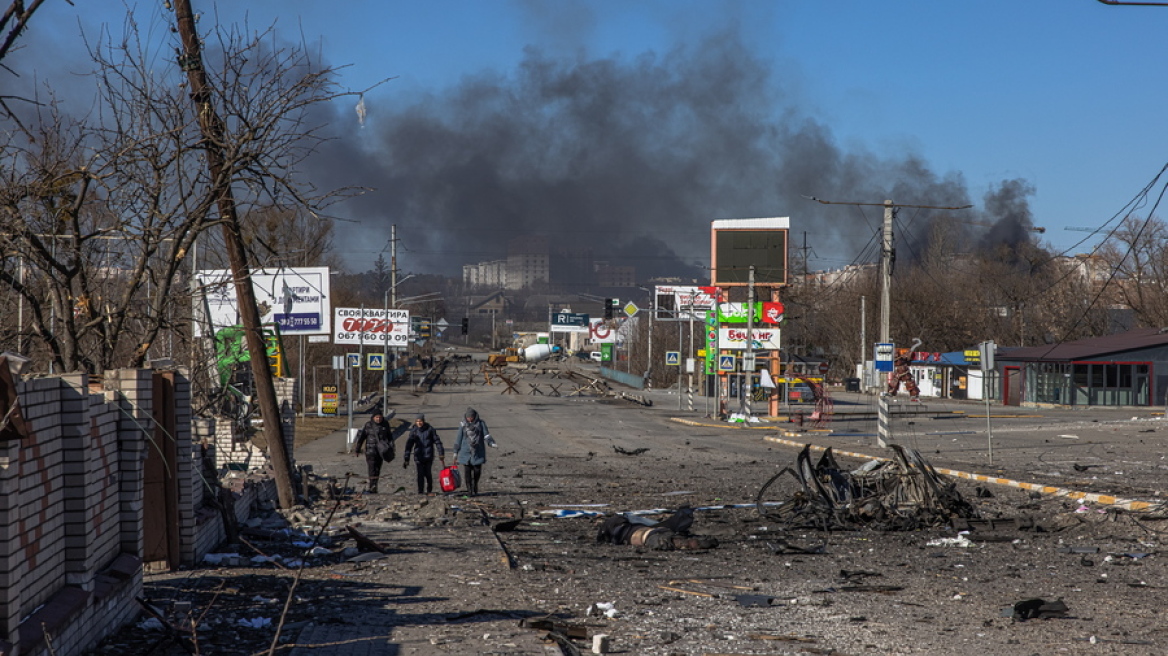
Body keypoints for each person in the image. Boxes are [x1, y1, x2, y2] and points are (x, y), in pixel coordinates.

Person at [452, 407, 495, 496]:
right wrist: (456, 452)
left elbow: (486, 435)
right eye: (468, 417)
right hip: (466, 452)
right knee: (467, 472)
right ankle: (469, 490)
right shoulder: (462, 425)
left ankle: (475, 484)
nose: (470, 419)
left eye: (471, 417)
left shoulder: (481, 423)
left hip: (478, 452)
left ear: (474, 416)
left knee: (477, 471)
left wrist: (491, 443)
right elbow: (458, 439)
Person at [402, 413, 445, 494]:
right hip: (418, 456)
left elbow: (437, 441)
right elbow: (409, 445)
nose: (419, 423)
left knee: (428, 473)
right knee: (420, 474)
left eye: (420, 421)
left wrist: (441, 453)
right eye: (417, 421)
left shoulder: (430, 429)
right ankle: (420, 491)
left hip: (428, 455)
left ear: (423, 421)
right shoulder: (414, 431)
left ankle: (429, 489)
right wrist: (406, 458)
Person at [353, 412, 394, 493]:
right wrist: (357, 449)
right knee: (372, 468)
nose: (378, 419)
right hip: (370, 451)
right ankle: (372, 486)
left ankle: (375, 484)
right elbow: (362, 438)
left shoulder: (385, 424)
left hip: (381, 451)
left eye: (380, 417)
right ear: (373, 417)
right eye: (377, 417)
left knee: (378, 469)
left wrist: (391, 449)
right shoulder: (368, 425)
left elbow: (390, 437)